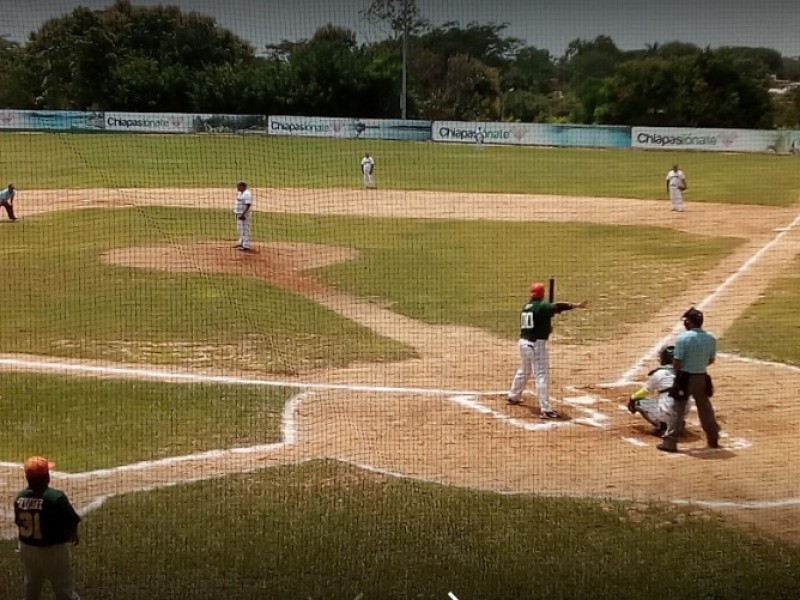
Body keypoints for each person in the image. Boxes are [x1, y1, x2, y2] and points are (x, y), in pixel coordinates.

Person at [507, 282, 588, 418]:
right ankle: (546, 409)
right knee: (541, 375)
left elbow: (538, 322)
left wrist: (546, 328)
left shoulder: (527, 307)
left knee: (524, 370)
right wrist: (576, 305)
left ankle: (513, 396)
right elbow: (558, 306)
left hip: (523, 343)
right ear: (542, 293)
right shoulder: (543, 306)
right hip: (536, 345)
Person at [13, 456, 81, 600]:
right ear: (46, 477)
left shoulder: (19, 497)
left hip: (27, 548)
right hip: (52, 551)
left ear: (27, 477)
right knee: (64, 588)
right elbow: (71, 520)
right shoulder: (55, 497)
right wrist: (73, 534)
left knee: (32, 584)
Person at [657, 307, 721, 453]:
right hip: (702, 377)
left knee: (676, 409)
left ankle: (670, 442)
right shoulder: (710, 338)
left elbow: (677, 362)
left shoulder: (683, 338)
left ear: (690, 322)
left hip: (685, 378)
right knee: (705, 408)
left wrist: (679, 371)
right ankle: (713, 438)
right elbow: (710, 360)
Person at [627, 345, 683, 437]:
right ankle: (678, 423)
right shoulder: (685, 372)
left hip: (668, 412)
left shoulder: (659, 373)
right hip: (683, 411)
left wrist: (632, 398)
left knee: (638, 401)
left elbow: (645, 391)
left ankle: (663, 427)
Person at [233, 180, 252, 251]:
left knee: (245, 229)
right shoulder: (240, 193)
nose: (237, 187)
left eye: (238, 186)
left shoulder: (247, 194)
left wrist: (243, 215)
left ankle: (246, 245)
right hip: (238, 213)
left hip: (243, 215)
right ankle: (241, 242)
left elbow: (248, 205)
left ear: (242, 186)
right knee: (240, 229)